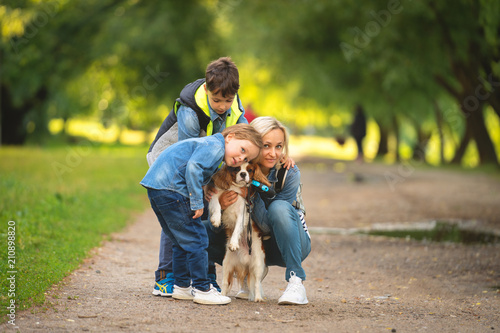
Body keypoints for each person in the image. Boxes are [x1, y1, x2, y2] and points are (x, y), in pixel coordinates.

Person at [147, 57, 248, 297]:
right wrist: (200, 191)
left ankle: (199, 277)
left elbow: (247, 136)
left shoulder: (235, 106)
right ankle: (166, 277)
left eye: (228, 100)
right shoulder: (191, 112)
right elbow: (188, 157)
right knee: (179, 216)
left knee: (198, 218)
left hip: (203, 162)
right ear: (206, 89)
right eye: (217, 100)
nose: (223, 106)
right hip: (171, 165)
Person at [141, 124, 263, 305]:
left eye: (246, 157)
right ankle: (202, 288)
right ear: (230, 137)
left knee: (179, 240)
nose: (240, 158)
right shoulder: (215, 146)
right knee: (198, 239)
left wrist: (204, 189)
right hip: (172, 189)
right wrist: (197, 202)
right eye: (242, 150)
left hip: (157, 187)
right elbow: (193, 168)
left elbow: (194, 168)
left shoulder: (209, 145)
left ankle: (181, 286)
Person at [206, 117, 311, 305]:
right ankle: (207, 283)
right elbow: (215, 229)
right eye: (266, 146)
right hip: (251, 243)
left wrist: (250, 194)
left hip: (288, 243)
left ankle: (296, 282)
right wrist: (220, 207)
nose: (273, 153)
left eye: (279, 146)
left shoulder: (289, 172)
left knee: (278, 207)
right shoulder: (233, 169)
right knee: (202, 227)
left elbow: (270, 224)